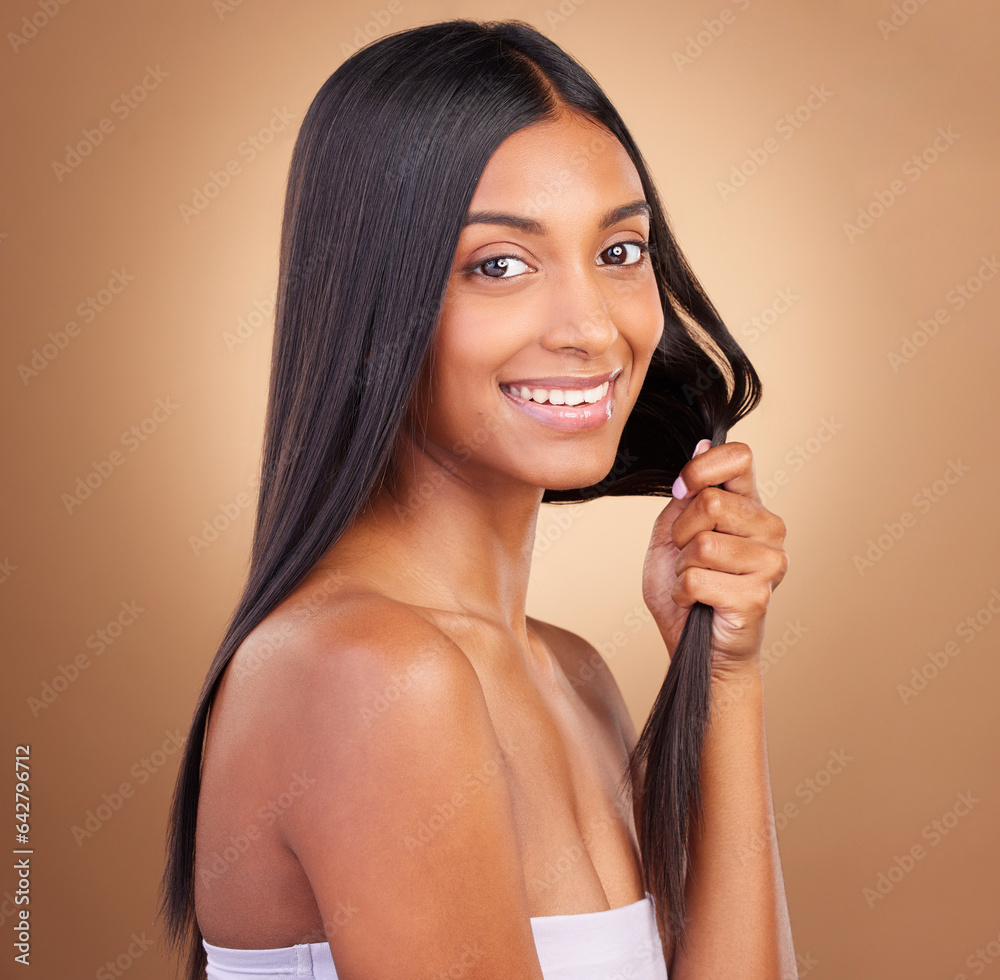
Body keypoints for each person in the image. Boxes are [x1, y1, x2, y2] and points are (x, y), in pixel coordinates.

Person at [159, 17, 796, 979]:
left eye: (620, 251)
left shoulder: (572, 676)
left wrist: (726, 676)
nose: (592, 327)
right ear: (379, 304)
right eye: (500, 264)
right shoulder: (368, 674)